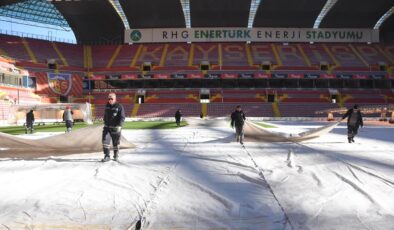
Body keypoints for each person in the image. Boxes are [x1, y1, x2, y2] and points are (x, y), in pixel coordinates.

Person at [102, 93, 125, 162]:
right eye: (109, 98)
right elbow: (105, 115)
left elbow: (122, 117)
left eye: (111, 98)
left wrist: (119, 126)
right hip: (107, 127)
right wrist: (104, 120)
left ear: (115, 99)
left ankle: (116, 155)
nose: (110, 100)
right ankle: (107, 156)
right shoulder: (107, 105)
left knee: (116, 143)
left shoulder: (119, 106)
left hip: (115, 128)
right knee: (105, 141)